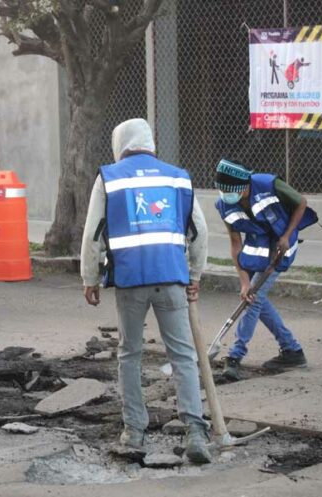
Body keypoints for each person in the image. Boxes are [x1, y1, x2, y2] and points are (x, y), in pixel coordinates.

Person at [80, 118, 212, 464]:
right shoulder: (176, 176)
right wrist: (195, 274)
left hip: (130, 280)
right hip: (171, 278)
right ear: (151, 143)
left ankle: (134, 430)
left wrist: (89, 277)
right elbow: (199, 230)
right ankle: (196, 431)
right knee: (183, 356)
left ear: (120, 144)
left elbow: (93, 231)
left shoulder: (109, 177)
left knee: (130, 355)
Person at [213, 159, 318, 382]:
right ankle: (292, 350)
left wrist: (287, 235)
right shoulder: (224, 204)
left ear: (245, 185)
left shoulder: (270, 185)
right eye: (221, 190)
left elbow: (301, 203)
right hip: (256, 247)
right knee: (253, 296)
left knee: (254, 298)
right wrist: (243, 282)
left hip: (281, 244)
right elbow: (235, 244)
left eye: (229, 191)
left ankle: (235, 356)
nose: (225, 195)